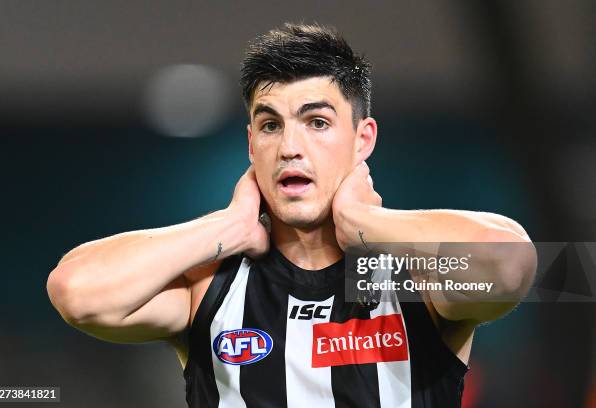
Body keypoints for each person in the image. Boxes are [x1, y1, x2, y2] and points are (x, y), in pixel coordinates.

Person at [47, 23, 537, 407]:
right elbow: (77, 293)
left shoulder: (415, 277)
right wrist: (229, 226)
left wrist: (363, 225)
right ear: (250, 144)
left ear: (363, 139)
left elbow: (510, 266)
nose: (290, 148)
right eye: (269, 125)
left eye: (317, 122)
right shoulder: (209, 286)